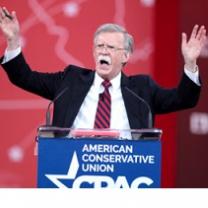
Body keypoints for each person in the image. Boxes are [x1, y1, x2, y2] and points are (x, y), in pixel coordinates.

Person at [0, 7, 206, 133]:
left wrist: (190, 63)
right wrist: (13, 40)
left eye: (110, 47)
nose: (103, 51)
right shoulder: (70, 80)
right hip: (71, 170)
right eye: (99, 46)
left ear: (125, 56)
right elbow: (23, 77)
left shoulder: (142, 89)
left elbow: (184, 99)